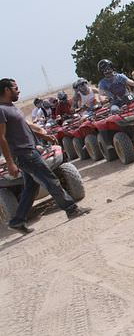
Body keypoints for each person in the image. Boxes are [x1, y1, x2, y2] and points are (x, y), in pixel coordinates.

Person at [0, 78, 91, 234]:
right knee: (51, 181)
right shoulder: (1, 110)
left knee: (31, 187)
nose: (19, 90)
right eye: (15, 88)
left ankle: (17, 221)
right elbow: (1, 137)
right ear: (7, 90)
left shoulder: (11, 107)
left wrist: (45, 136)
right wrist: (10, 162)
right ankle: (71, 209)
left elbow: (26, 126)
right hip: (24, 154)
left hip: (30, 150)